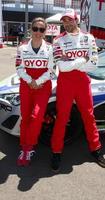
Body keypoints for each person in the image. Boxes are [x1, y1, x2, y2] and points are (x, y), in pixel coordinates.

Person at [51, 9, 105, 172]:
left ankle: (96, 149)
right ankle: (56, 152)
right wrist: (83, 59)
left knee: (89, 116)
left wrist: (72, 63)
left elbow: (94, 64)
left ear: (76, 20)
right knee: (62, 118)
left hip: (83, 82)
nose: (67, 23)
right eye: (64, 21)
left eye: (70, 20)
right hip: (65, 83)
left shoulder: (88, 38)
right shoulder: (57, 40)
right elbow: (61, 66)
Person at [15, 17, 54, 166]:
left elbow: (51, 71)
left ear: (45, 32)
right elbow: (19, 68)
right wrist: (30, 80)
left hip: (43, 85)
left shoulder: (50, 48)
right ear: (31, 29)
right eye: (35, 29)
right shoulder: (22, 47)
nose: (38, 32)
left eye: (41, 29)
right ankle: (24, 147)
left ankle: (30, 146)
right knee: (25, 117)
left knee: (36, 116)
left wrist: (37, 82)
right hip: (26, 84)